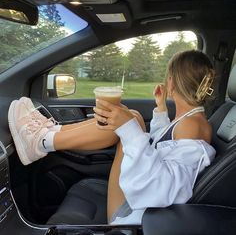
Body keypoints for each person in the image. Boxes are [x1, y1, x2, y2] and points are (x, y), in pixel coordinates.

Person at [8, 50, 216, 225]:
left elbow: (165, 187)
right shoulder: (190, 119)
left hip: (133, 211)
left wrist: (129, 130)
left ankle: (42, 141)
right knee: (131, 116)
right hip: (137, 198)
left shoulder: (193, 125)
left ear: (172, 82)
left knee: (127, 121)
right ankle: (47, 135)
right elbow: (163, 146)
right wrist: (160, 109)